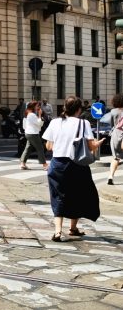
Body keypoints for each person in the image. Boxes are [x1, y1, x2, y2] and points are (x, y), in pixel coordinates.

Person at [43, 96, 101, 241]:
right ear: (79, 109)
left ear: (64, 107)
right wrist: (98, 143)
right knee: (78, 194)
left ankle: (57, 231)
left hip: (57, 164)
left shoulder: (55, 122)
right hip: (77, 165)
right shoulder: (83, 123)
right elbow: (90, 146)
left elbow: (49, 146)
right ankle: (73, 228)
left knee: (58, 196)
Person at [20, 101, 48, 170]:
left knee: (28, 148)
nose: (38, 107)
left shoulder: (28, 113)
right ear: (33, 106)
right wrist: (40, 115)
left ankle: (22, 163)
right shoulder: (32, 115)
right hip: (33, 134)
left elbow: (26, 125)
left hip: (28, 133)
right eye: (37, 106)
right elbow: (39, 124)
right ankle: (44, 165)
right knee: (40, 148)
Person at [107, 94, 123, 185]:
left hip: (116, 135)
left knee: (115, 158)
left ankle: (111, 176)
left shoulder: (113, 111)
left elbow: (111, 125)